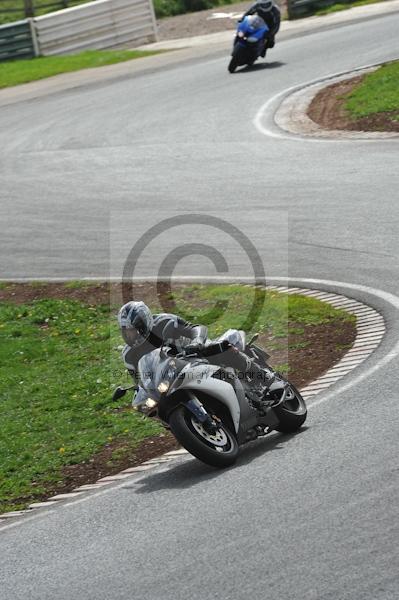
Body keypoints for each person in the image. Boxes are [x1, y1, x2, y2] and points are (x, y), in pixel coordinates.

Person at [118, 301, 273, 401]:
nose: (132, 335)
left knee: (223, 348)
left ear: (145, 322)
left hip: (195, 354)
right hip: (171, 377)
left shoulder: (164, 321)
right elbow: (141, 382)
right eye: (127, 331)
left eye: (135, 329)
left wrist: (197, 342)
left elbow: (195, 328)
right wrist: (139, 390)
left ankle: (262, 374)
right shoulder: (129, 356)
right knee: (156, 403)